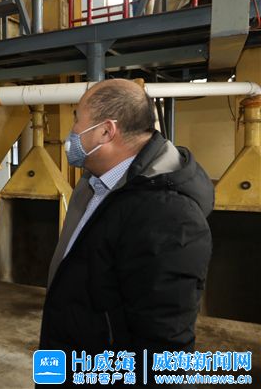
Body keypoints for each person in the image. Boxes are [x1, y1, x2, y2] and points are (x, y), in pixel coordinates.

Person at [38, 79, 213, 385]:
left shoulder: (170, 216)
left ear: (106, 131)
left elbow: (164, 349)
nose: (71, 132)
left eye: (77, 119)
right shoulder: (93, 181)